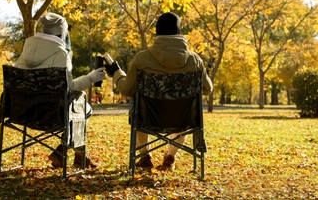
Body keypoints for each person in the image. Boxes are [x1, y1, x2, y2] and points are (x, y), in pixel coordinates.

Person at [105, 12, 213, 170]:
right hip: (183, 119)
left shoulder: (141, 59)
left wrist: (116, 72)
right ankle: (170, 157)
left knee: (138, 109)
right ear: (179, 32)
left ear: (157, 32)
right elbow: (207, 89)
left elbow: (127, 90)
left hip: (149, 118)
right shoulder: (195, 60)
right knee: (184, 116)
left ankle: (144, 156)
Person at [15, 12, 106, 169]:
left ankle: (65, 153)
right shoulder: (61, 53)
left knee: (78, 107)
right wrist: (90, 78)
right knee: (83, 106)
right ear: (62, 31)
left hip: (21, 111)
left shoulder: (25, 51)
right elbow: (68, 87)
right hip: (52, 113)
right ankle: (74, 155)